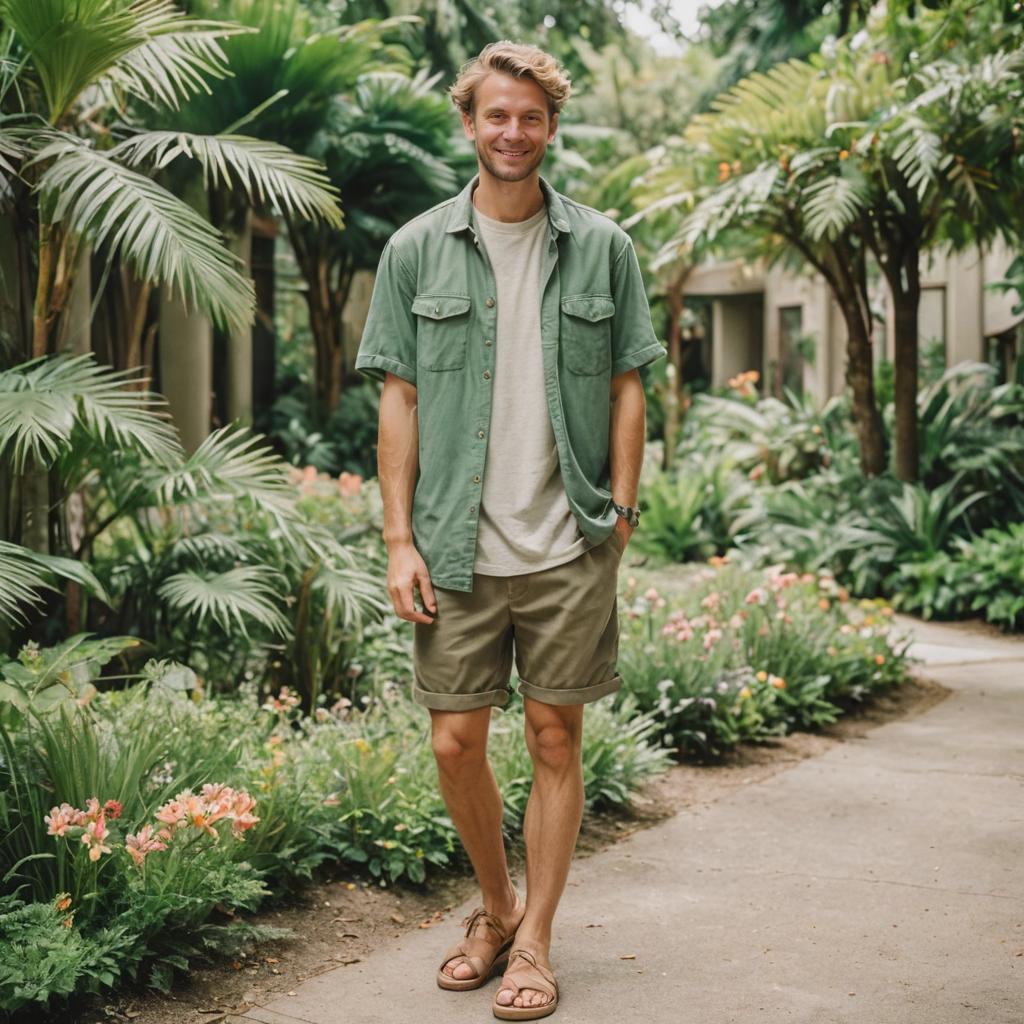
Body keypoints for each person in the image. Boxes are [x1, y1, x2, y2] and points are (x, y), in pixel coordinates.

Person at [354, 40, 664, 1021]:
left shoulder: (603, 246)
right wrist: (399, 538)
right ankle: (495, 906)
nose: (512, 133)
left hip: (569, 536)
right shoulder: (414, 249)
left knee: (553, 734)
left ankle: (533, 943)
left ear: (551, 127)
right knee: (453, 741)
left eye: (529, 117)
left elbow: (628, 385)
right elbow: (397, 399)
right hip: (452, 541)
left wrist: (618, 511)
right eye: (496, 115)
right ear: (469, 122)